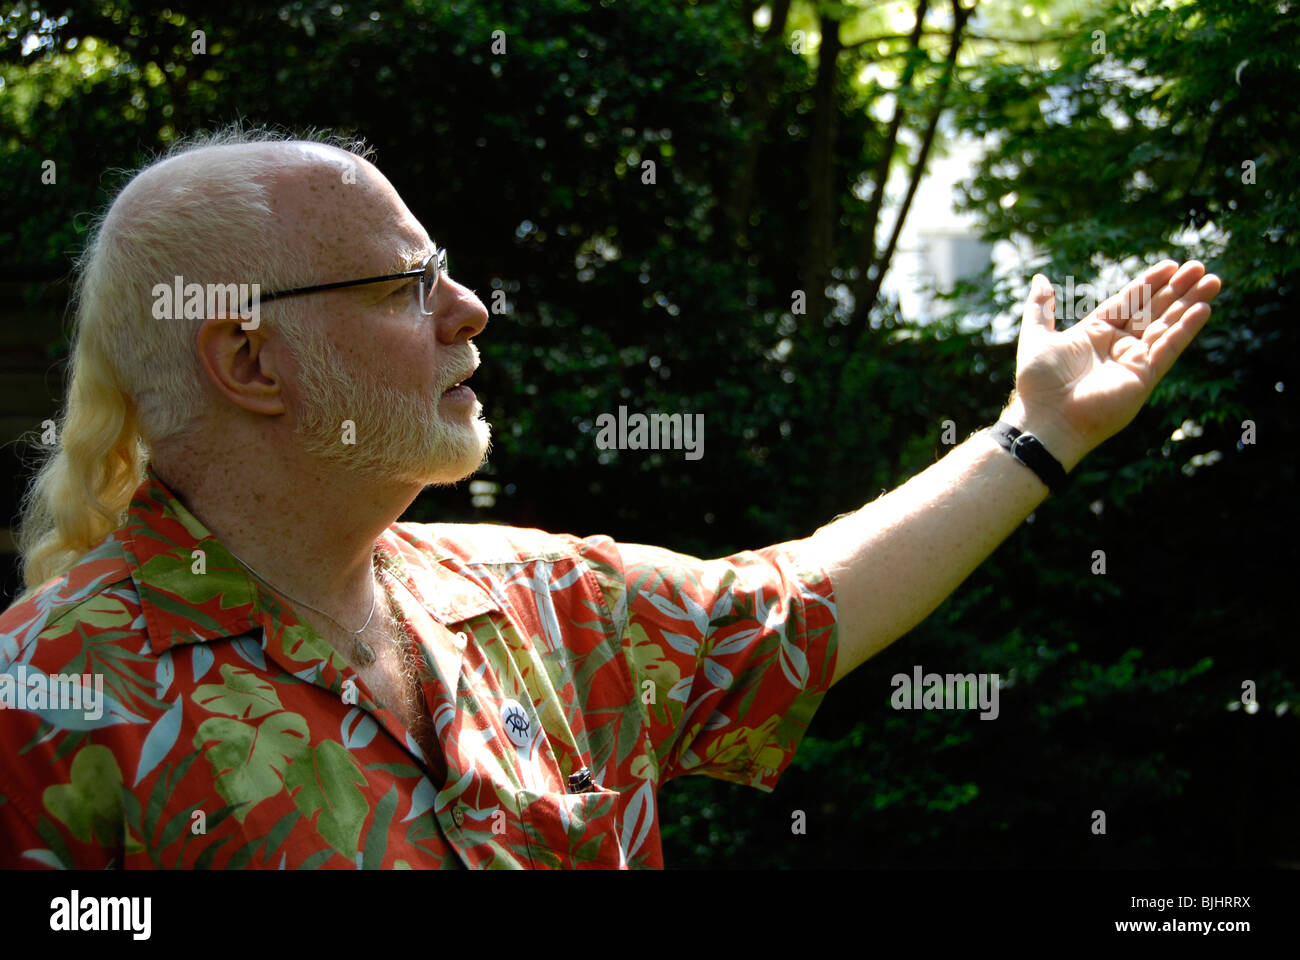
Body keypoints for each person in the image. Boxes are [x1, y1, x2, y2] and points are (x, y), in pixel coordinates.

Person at [0, 128, 1221, 869]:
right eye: (403, 285)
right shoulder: (45, 699)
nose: (469, 310)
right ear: (250, 361)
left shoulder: (541, 603)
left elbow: (791, 610)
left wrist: (1039, 431)